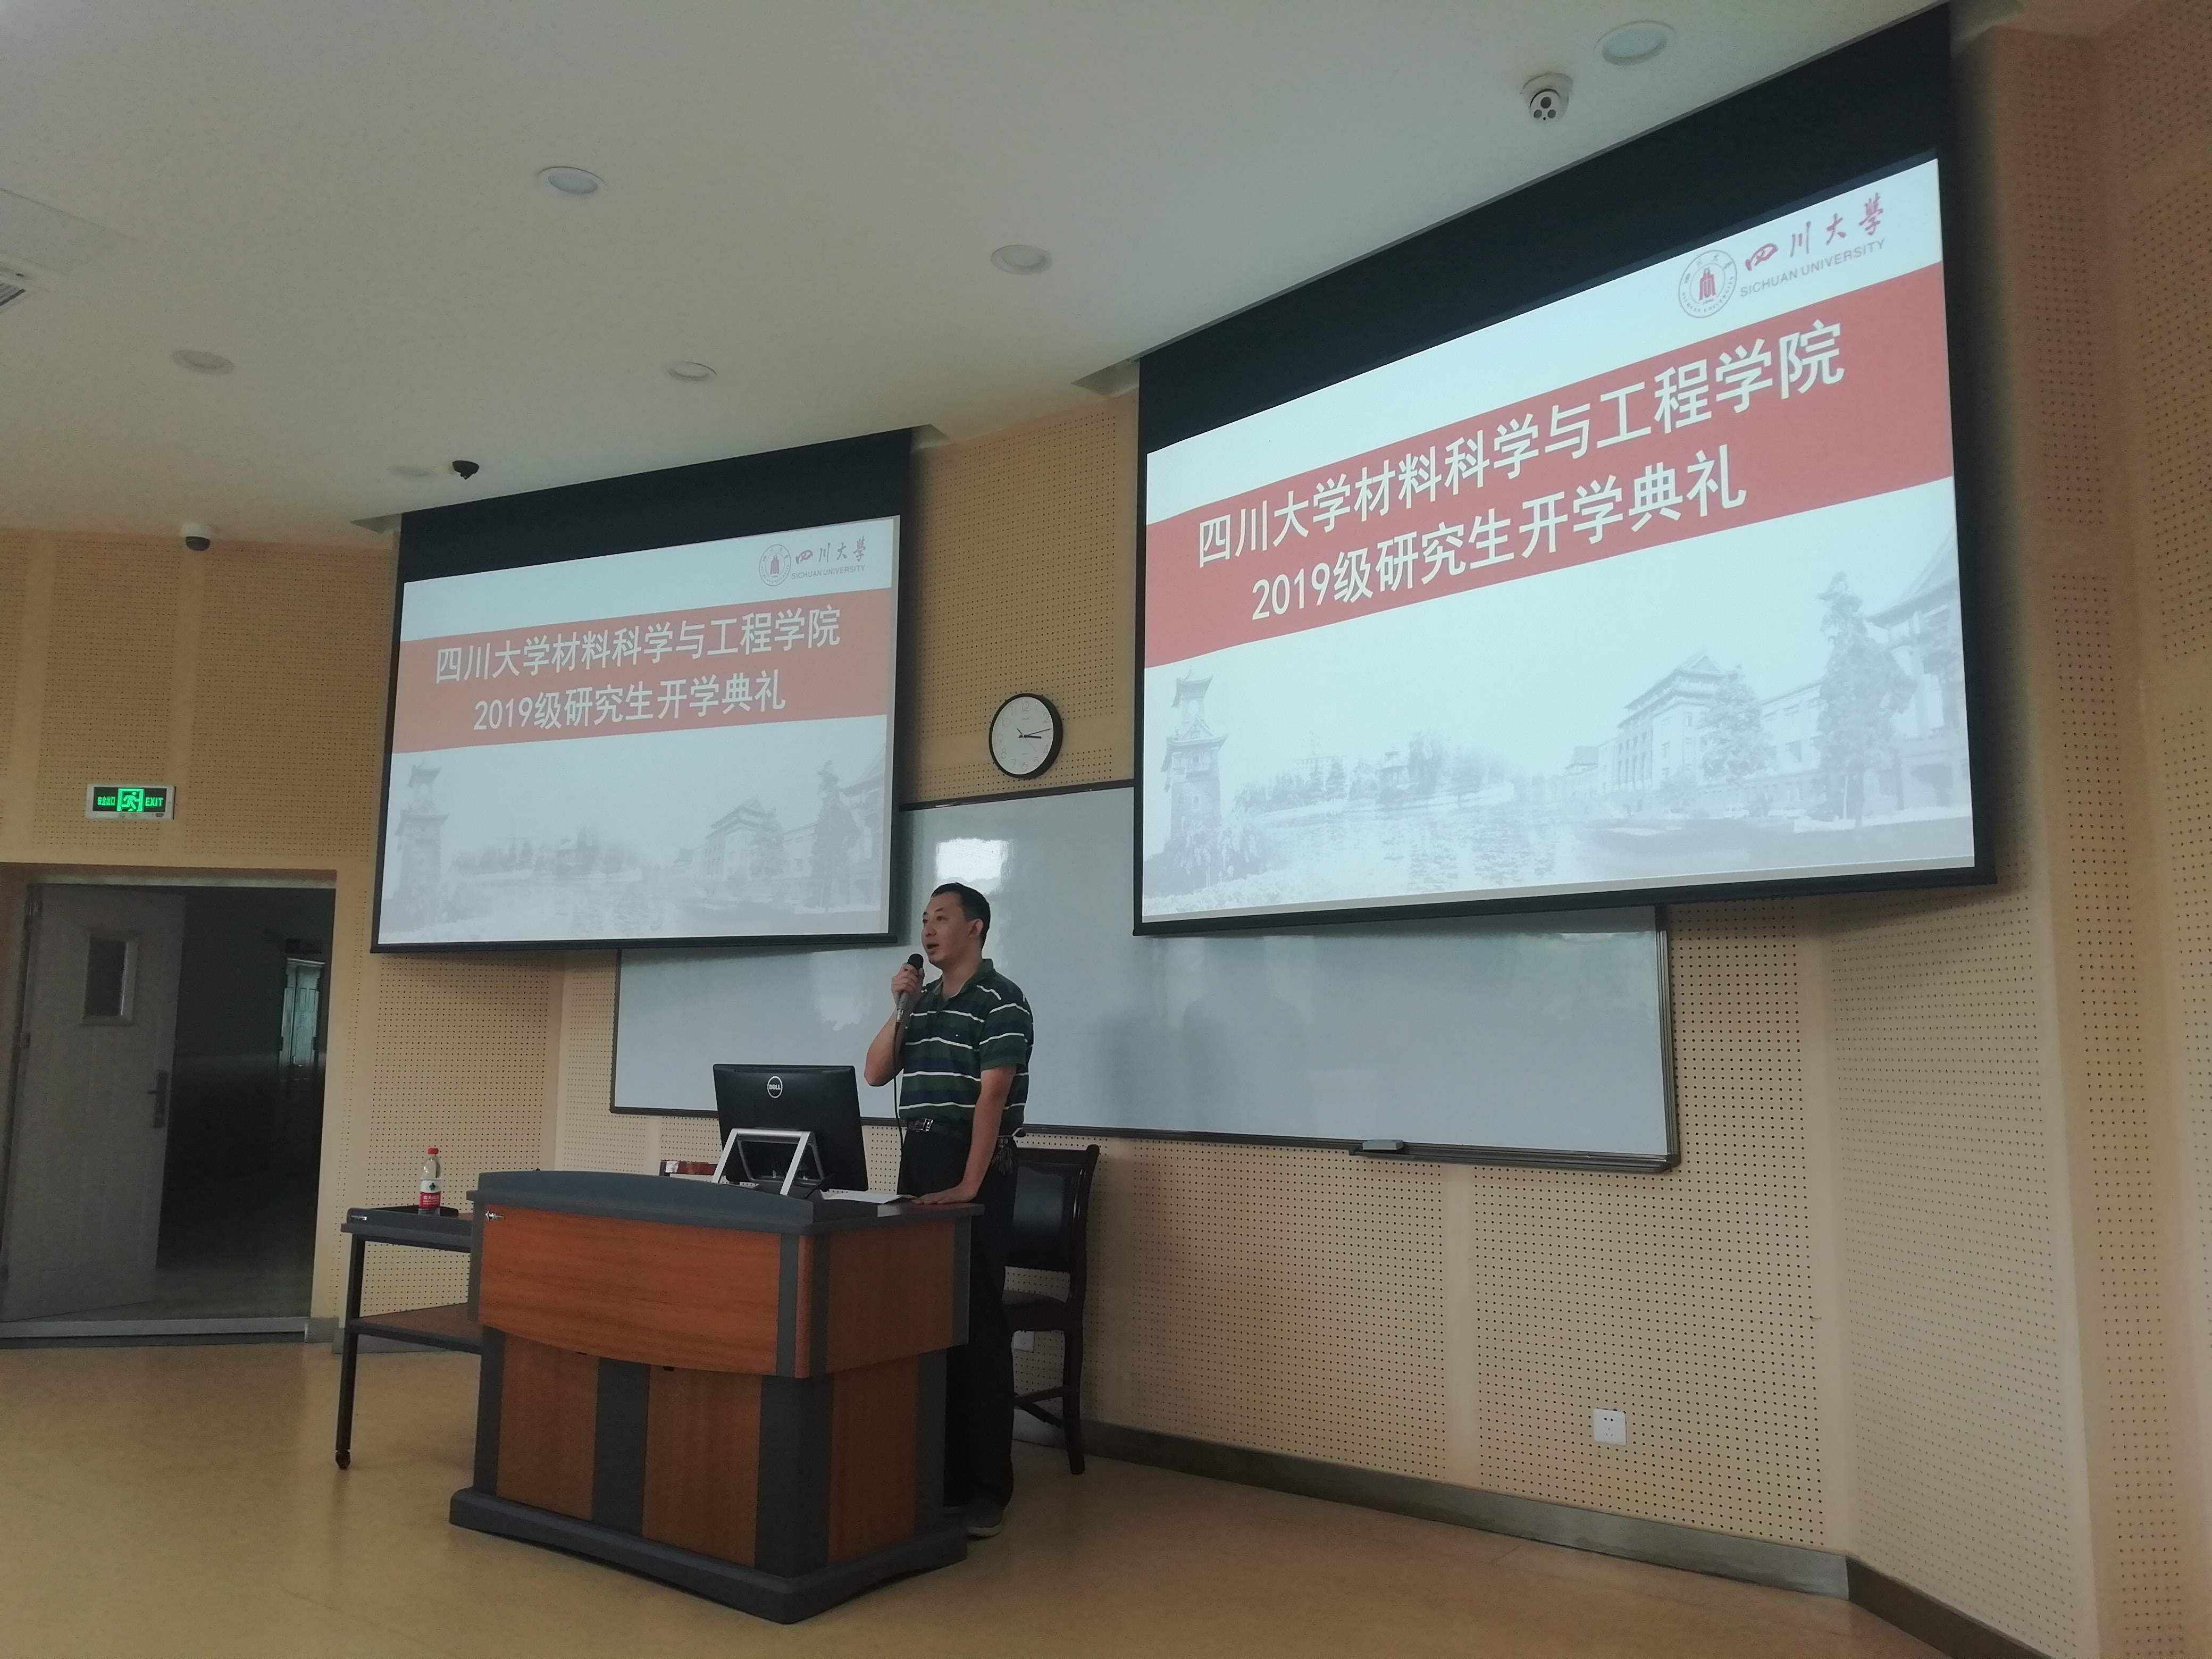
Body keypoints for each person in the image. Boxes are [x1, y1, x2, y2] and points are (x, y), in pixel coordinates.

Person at [862, 881, 1032, 1540]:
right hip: (922, 1159)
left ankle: (985, 1490)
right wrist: (900, 1008)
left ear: (975, 928)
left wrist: (969, 1185)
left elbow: (992, 1098)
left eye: (941, 918)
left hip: (976, 1165)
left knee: (977, 1324)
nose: (928, 930)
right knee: (926, 1319)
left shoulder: (1002, 999)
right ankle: (937, 1478)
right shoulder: (924, 1001)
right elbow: (876, 1073)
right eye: (924, 920)